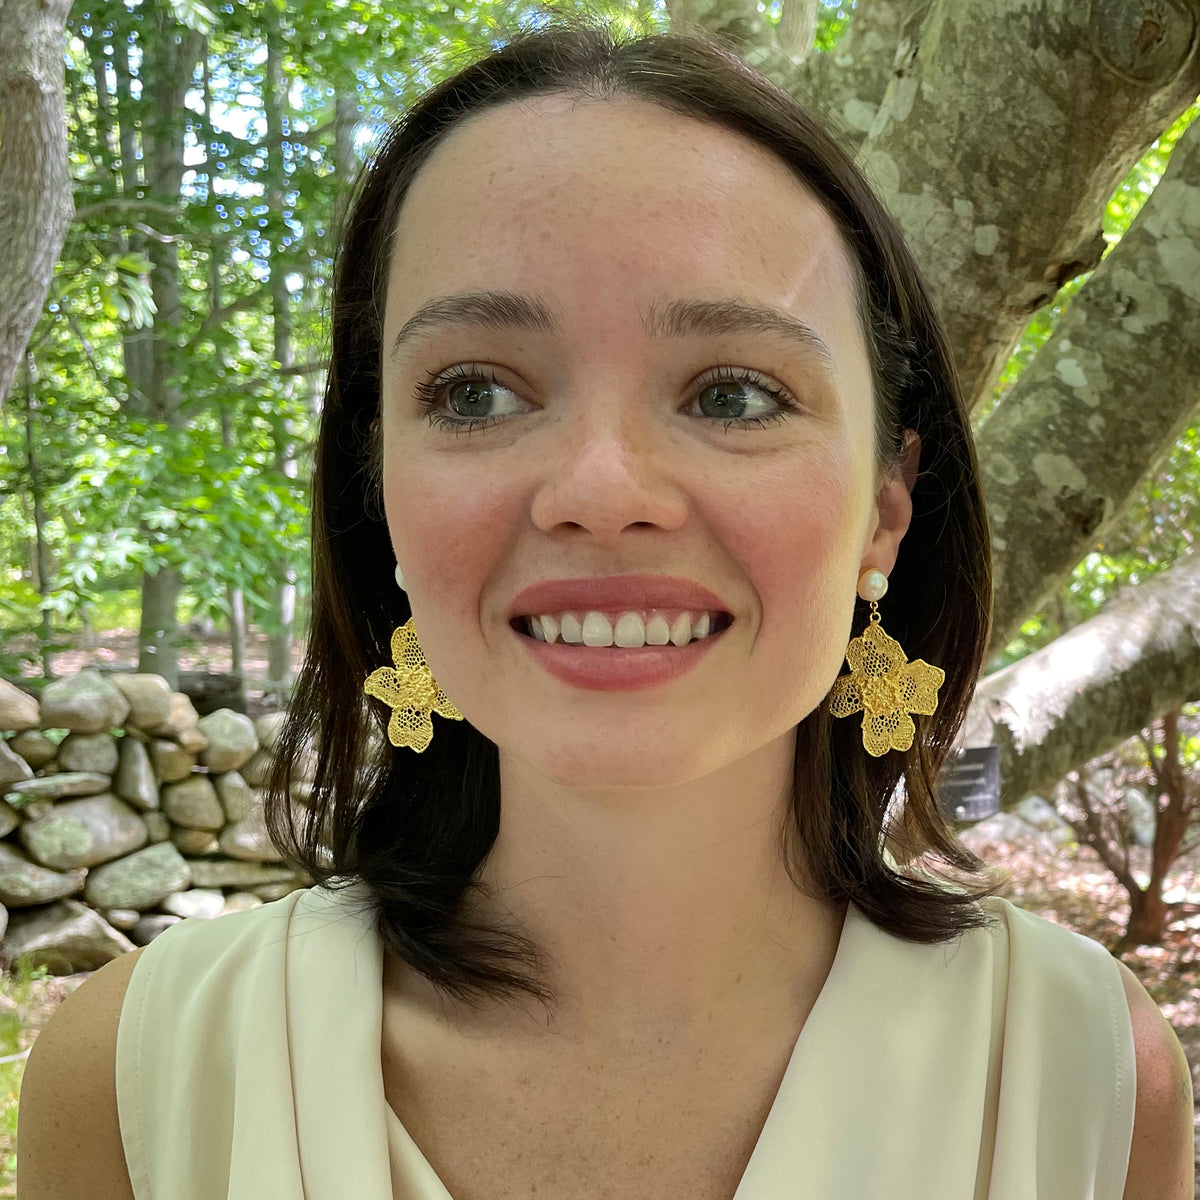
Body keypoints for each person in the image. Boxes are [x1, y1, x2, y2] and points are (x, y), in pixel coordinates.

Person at [17, 16, 1193, 1200]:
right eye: (474, 392)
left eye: (734, 393)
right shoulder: (137, 1082)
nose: (600, 491)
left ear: (884, 509)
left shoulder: (1089, 1077)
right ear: (380, 495)